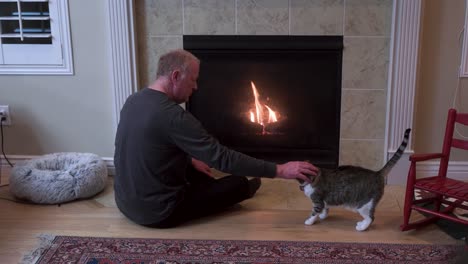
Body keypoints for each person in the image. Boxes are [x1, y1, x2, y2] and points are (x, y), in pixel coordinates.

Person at [114, 49, 319, 228]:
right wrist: (280, 170)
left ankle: (192, 176)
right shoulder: (173, 116)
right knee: (237, 184)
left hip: (125, 202)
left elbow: (150, 147)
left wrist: (189, 159)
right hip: (159, 213)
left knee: (199, 170)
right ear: (175, 76)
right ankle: (242, 187)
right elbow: (223, 159)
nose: (195, 87)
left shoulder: (134, 100)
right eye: (193, 80)